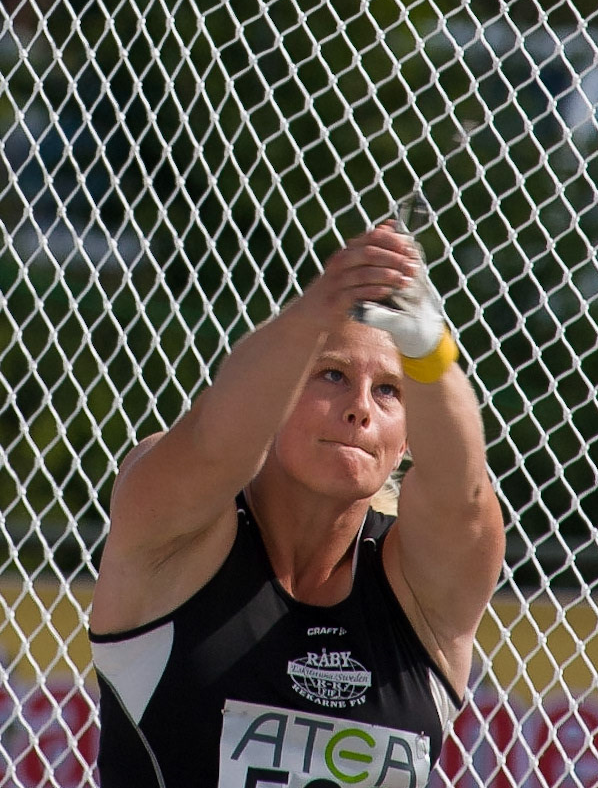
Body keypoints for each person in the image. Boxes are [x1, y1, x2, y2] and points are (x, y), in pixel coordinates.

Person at [88, 218, 506, 788]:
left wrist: (428, 350)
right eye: (332, 375)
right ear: (278, 398)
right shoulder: (175, 541)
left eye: (388, 390)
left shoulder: (419, 590)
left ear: (409, 435)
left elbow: (463, 496)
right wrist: (316, 312)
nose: (361, 408)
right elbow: (216, 443)